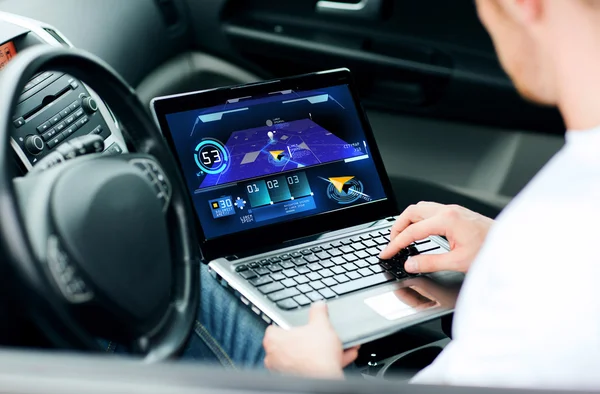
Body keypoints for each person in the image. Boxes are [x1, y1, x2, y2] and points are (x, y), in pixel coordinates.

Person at [262, 0, 600, 389]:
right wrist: (500, 243)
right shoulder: (565, 215)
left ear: (525, 4)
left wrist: (316, 378)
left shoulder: (550, 273)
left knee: (205, 291)